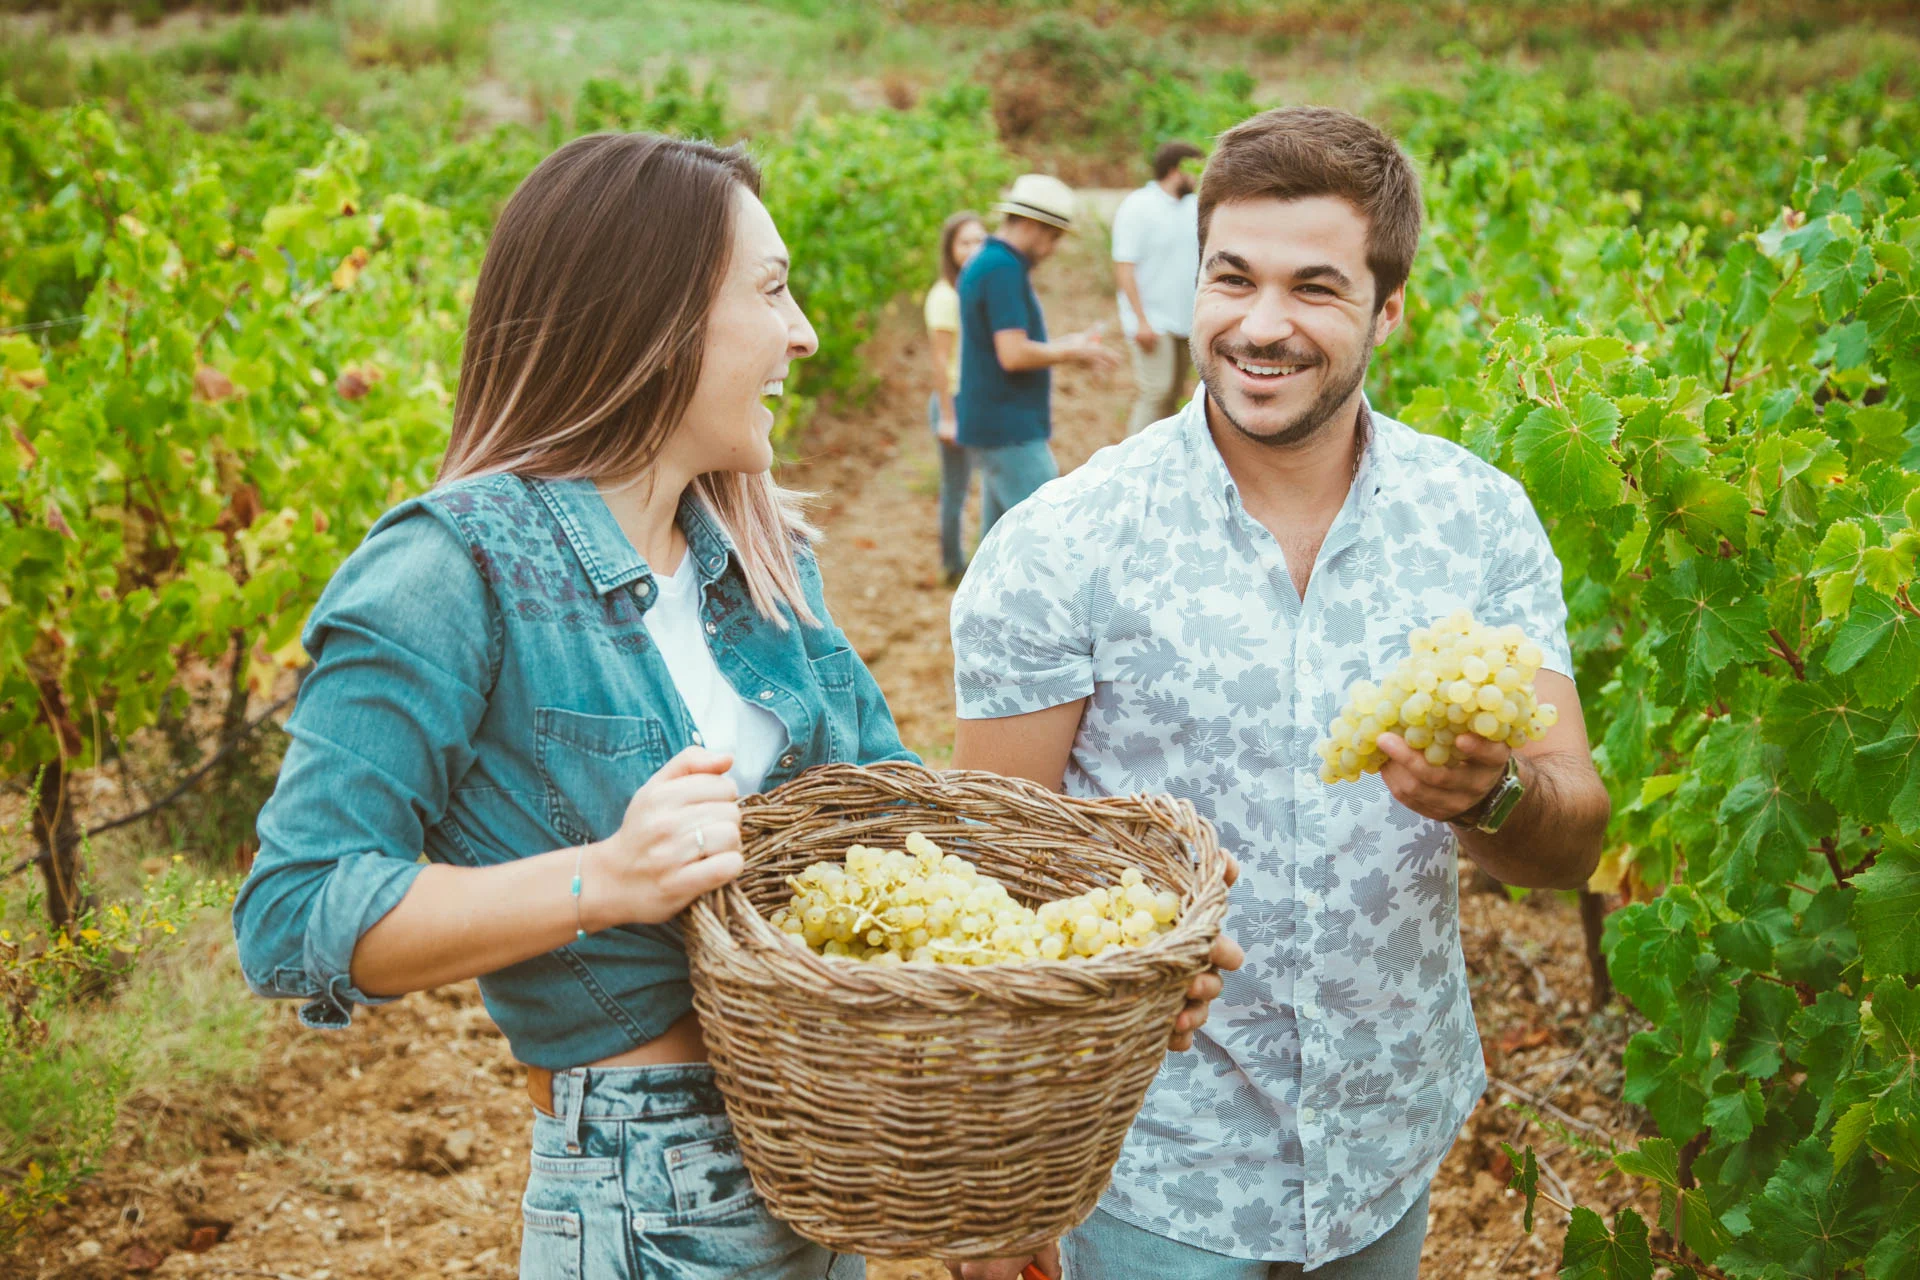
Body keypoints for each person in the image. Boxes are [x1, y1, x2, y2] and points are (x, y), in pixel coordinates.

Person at [231, 132, 1229, 1280]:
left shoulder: (762, 556)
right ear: (650, 316)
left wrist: (1103, 955)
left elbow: (905, 840)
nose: (805, 332)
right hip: (648, 1199)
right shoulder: (451, 571)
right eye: (771, 289)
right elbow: (292, 913)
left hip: (828, 1154)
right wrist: (604, 878)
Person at [946, 108, 1610, 1280]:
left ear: (1388, 312)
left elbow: (1573, 837)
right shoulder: (1063, 542)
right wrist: (997, 1183)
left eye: (1314, 287)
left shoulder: (1479, 522)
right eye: (1232, 278)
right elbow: (990, 887)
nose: (1261, 324)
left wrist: (1493, 794)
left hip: (1384, 1136)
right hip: (1151, 1161)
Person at [954, 173, 1120, 542]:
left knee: (999, 543)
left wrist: (1068, 343)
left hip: (995, 423)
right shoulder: (1003, 269)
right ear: (1031, 225)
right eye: (1053, 236)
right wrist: (1073, 351)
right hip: (1010, 427)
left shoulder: (989, 261)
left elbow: (1008, 343)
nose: (1053, 248)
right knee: (1051, 534)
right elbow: (1012, 354)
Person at [1112, 140, 1204, 436]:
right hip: (1152, 320)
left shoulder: (1194, 207)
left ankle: (1164, 456)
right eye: (1193, 170)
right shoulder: (1139, 206)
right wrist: (1141, 320)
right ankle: (1134, 457)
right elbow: (1125, 265)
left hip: (1185, 320)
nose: (1197, 177)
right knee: (1156, 391)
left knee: (1173, 395)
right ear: (1176, 170)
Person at [925, 211, 988, 585]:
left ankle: (978, 561)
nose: (974, 249)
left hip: (976, 400)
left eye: (980, 240)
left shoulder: (973, 290)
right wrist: (949, 417)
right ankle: (952, 566)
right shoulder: (945, 297)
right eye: (965, 242)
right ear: (950, 249)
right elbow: (939, 361)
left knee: (984, 483)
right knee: (956, 489)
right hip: (955, 402)